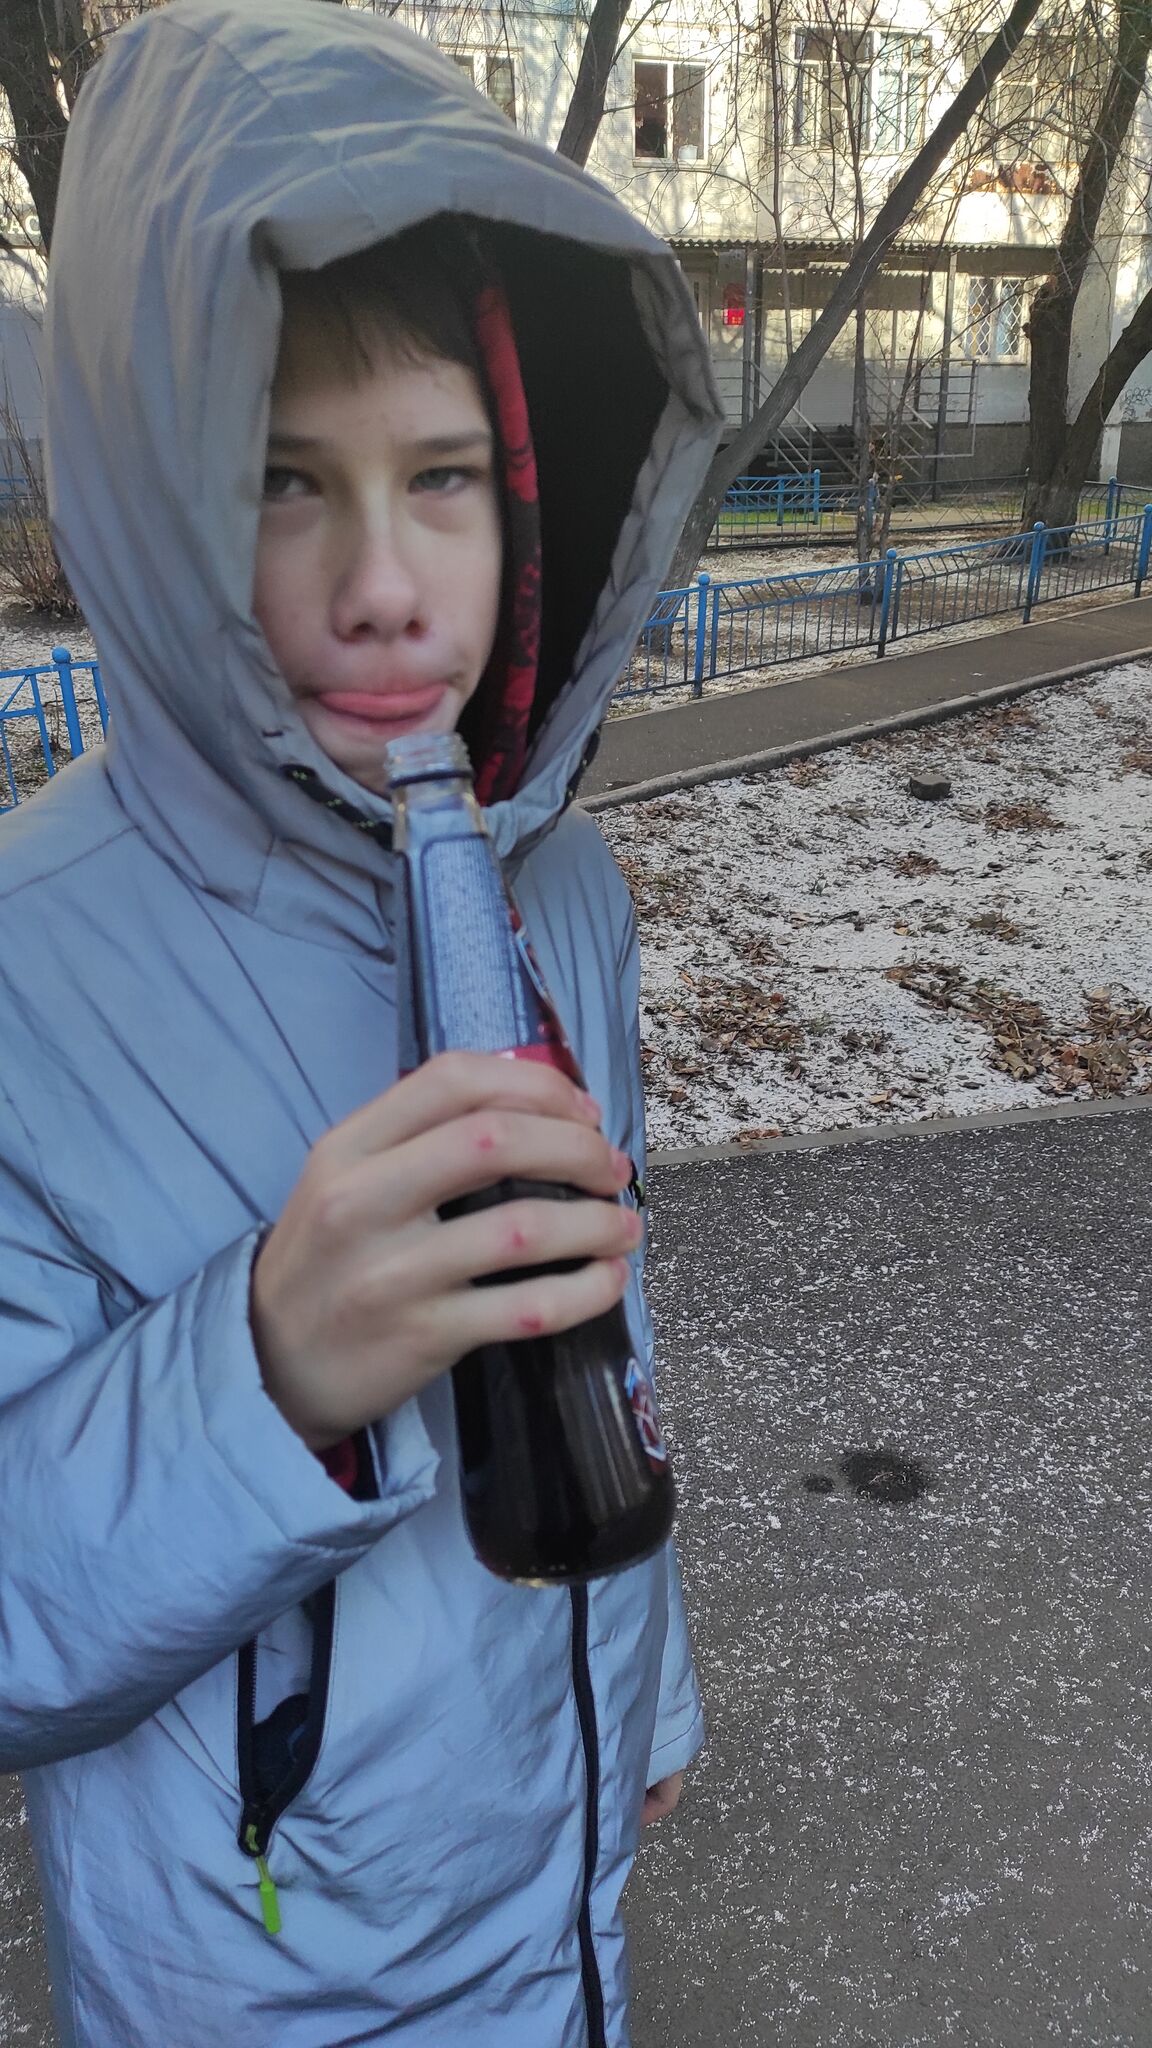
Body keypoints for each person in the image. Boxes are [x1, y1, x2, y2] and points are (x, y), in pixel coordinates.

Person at [0, 3, 722, 2042]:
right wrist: (268, 1370)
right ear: (151, 503)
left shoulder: (555, 886)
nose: (389, 584)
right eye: (284, 484)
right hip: (262, 1970)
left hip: (556, 1905)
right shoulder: (32, 971)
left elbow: (604, 1328)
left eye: (445, 476)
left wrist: (647, 1686)